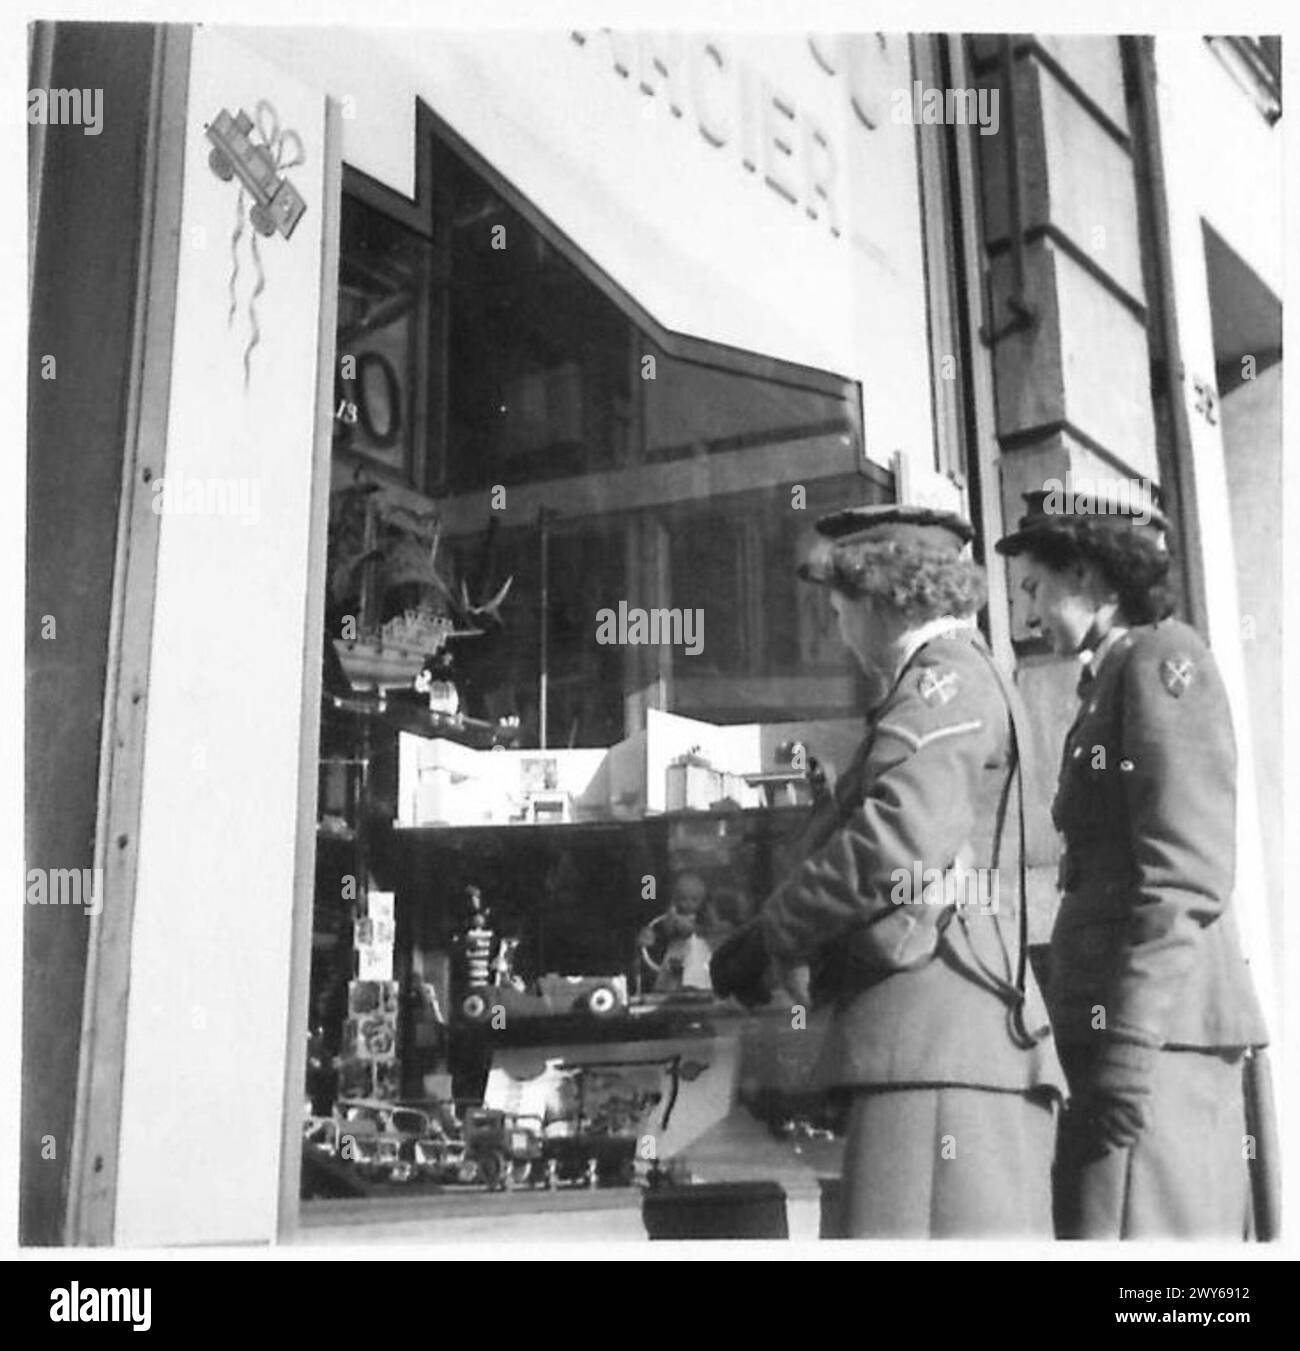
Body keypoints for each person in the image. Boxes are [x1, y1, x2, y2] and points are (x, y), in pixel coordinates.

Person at [711, 504, 1064, 1238]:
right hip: (946, 1044)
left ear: (883, 596)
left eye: (840, 602)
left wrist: (773, 935)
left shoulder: (945, 682)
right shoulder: (952, 681)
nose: (836, 623)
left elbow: (897, 840)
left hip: (935, 1048)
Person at [995, 490, 1271, 1239]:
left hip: (1158, 1036)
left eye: (1035, 587)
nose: (1027, 613)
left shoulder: (1161, 659)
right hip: (1130, 1028)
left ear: (1088, 574)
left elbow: (1183, 870)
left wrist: (1131, 1041)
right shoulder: (1113, 675)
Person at [638, 872, 715, 993]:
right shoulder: (670, 916)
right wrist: (671, 918)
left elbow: (699, 932)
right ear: (676, 898)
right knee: (670, 981)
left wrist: (686, 925)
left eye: (694, 900)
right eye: (683, 899)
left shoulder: (704, 919)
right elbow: (667, 930)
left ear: (702, 900)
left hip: (697, 956)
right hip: (675, 954)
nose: (688, 903)